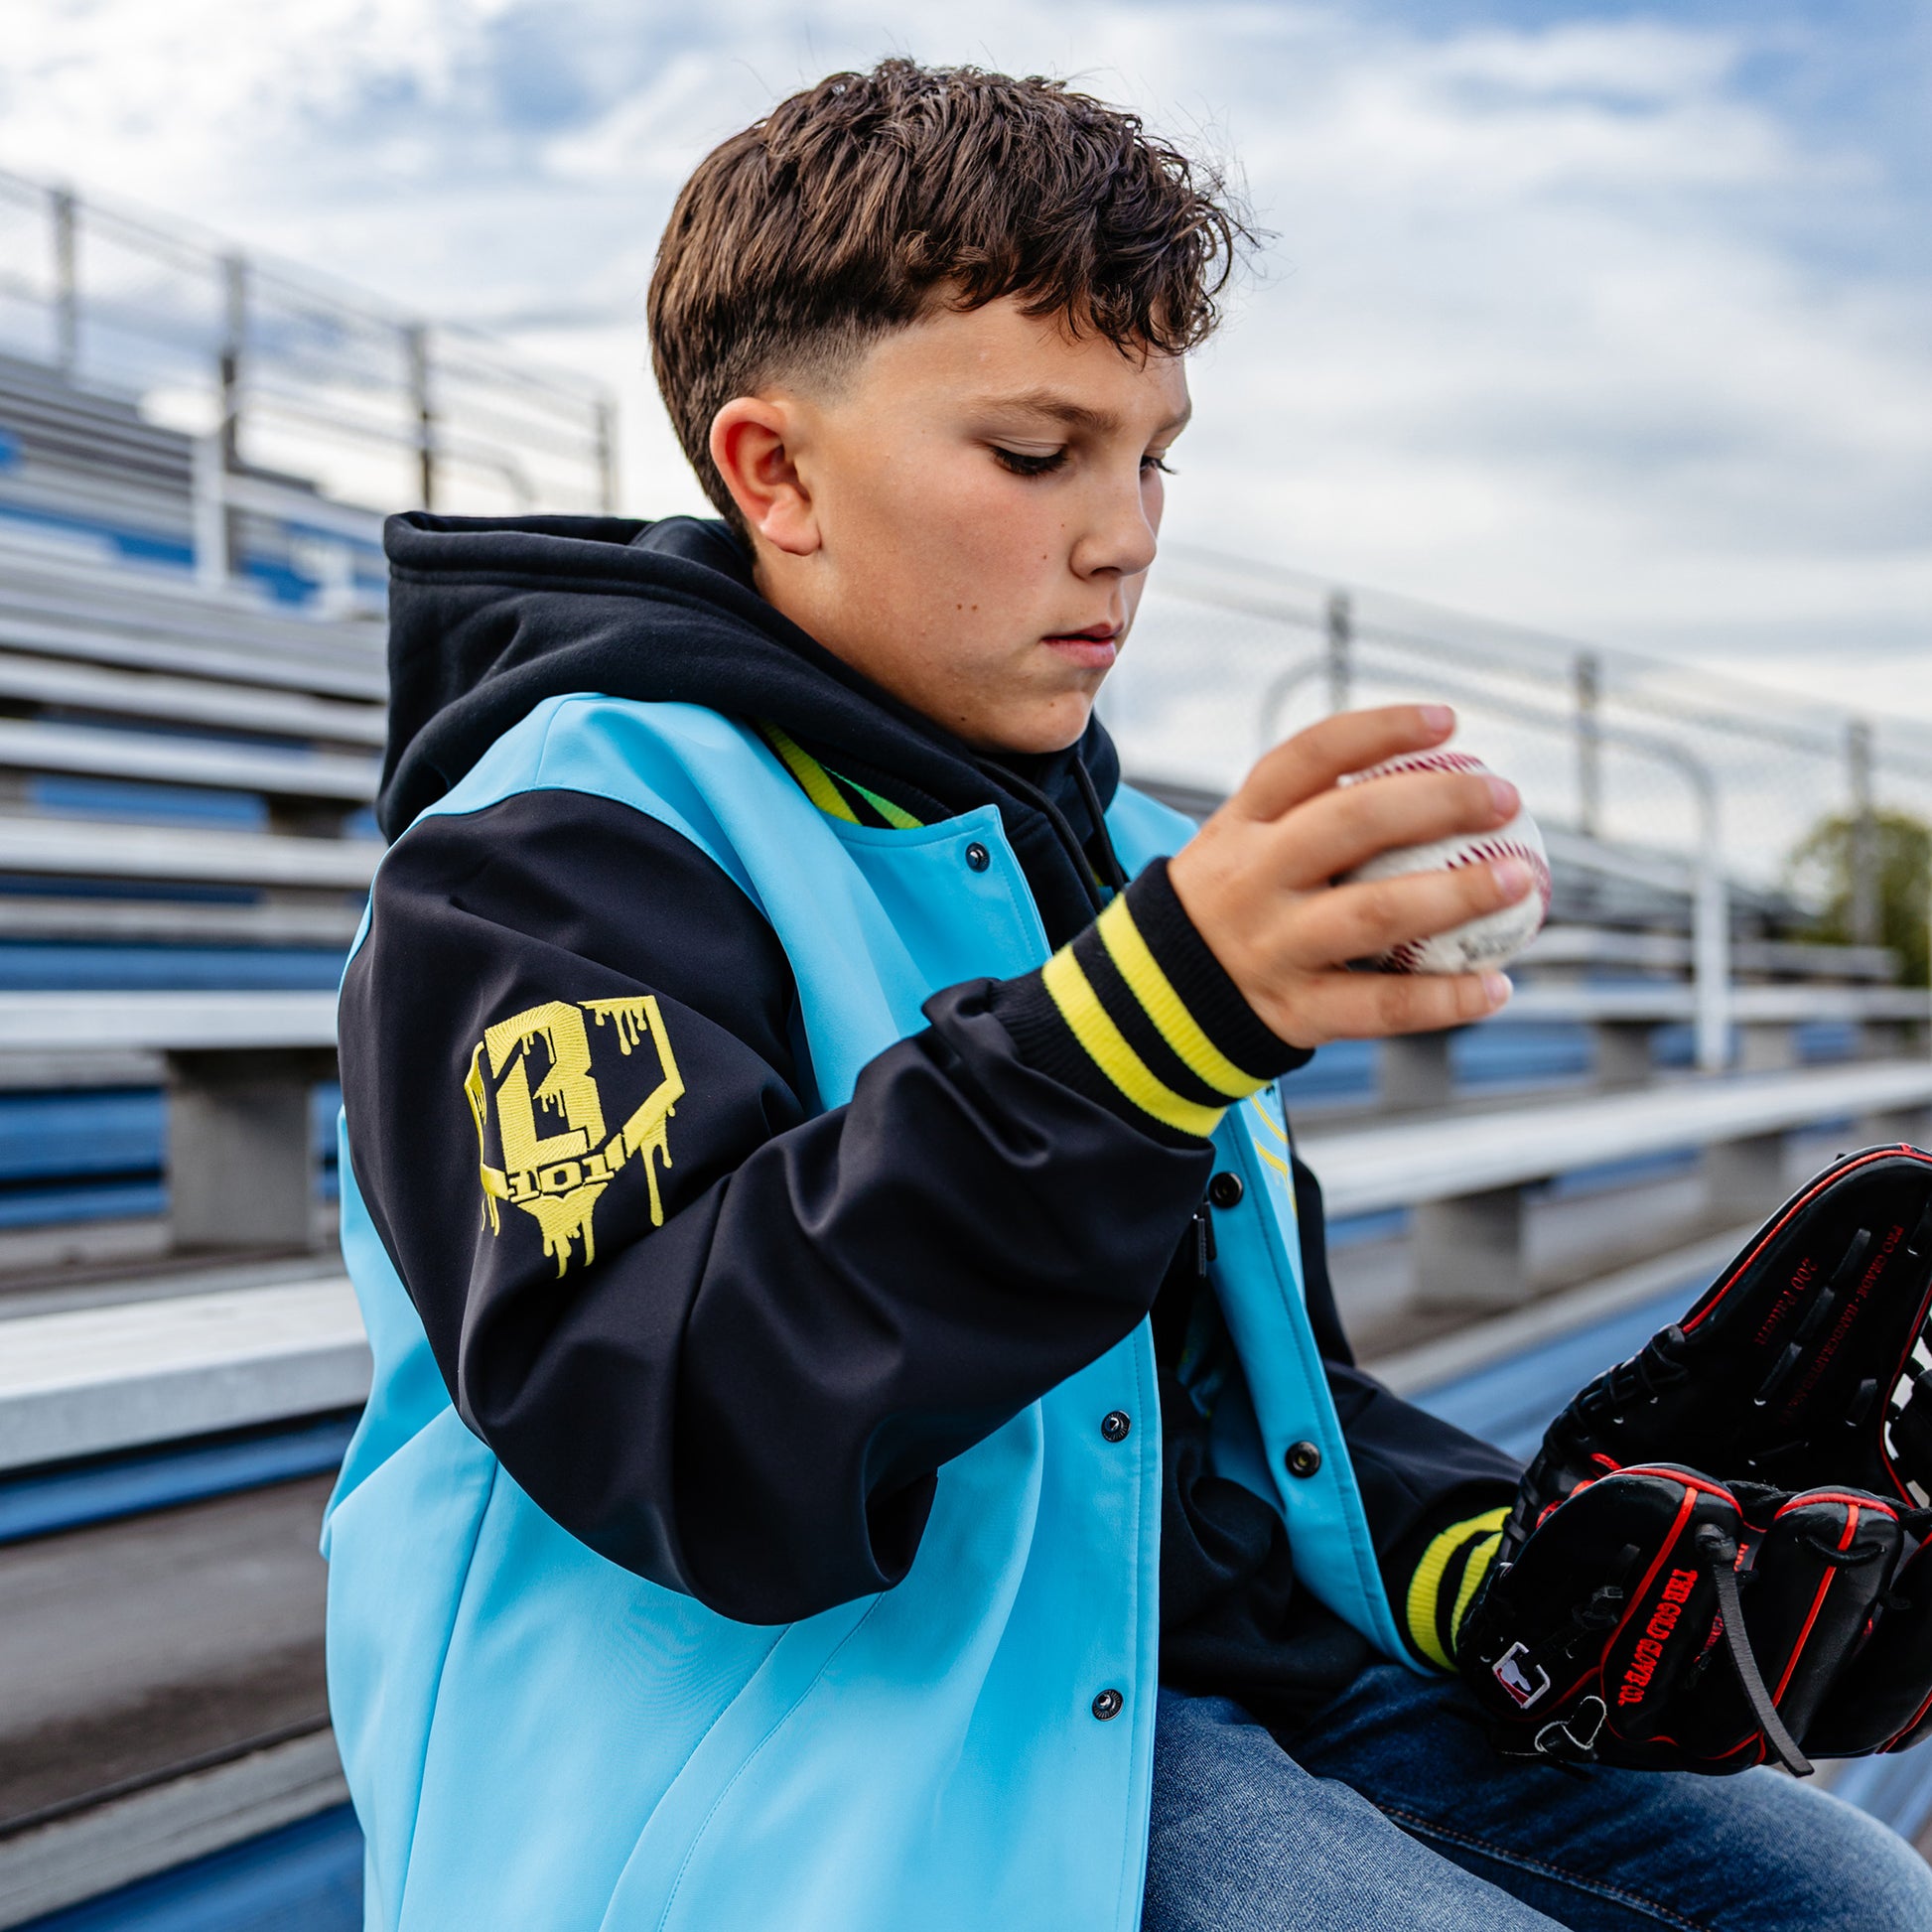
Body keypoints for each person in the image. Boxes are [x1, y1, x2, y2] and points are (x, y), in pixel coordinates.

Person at [325, 58, 1932, 1932]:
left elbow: (1232, 1407)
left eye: (1151, 452)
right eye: (1034, 453)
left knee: (1842, 1894)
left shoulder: (1118, 836)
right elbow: (682, 1422)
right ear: (773, 473)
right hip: (815, 1752)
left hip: (1164, 1673)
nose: (1126, 531)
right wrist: (1136, 1036)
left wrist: (1496, 1562)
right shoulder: (544, 849)